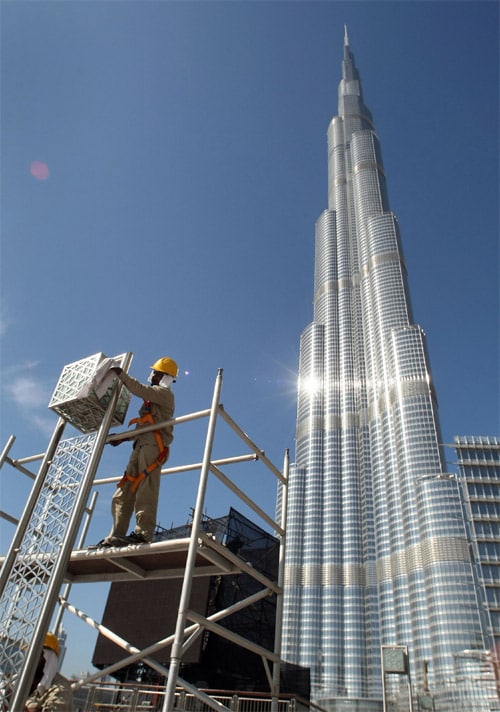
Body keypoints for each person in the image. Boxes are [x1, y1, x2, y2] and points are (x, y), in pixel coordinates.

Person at [95, 356, 178, 547]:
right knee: (125, 489)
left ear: (166, 377)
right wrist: (123, 438)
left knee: (146, 489)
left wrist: (119, 373)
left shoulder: (164, 394)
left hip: (153, 447)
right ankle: (116, 535)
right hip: (141, 444)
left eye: (157, 372)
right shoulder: (152, 398)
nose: (153, 374)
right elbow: (145, 425)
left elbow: (138, 389)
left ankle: (143, 533)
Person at [24, 632, 73, 712]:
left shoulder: (61, 687)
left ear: (48, 658)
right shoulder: (21, 680)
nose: (30, 658)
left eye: (36, 654)